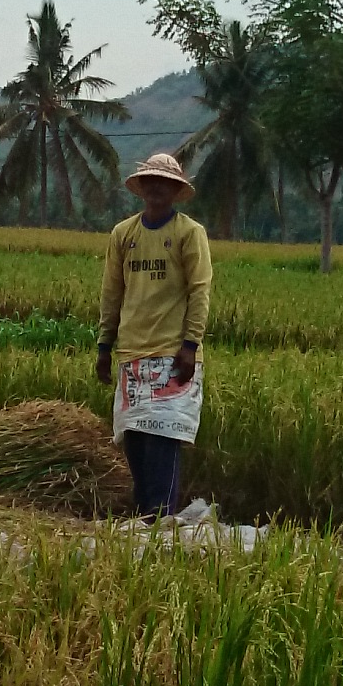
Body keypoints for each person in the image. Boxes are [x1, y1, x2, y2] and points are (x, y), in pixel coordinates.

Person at [95, 150, 213, 518]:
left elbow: (200, 290)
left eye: (166, 183)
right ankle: (145, 520)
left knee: (163, 439)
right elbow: (112, 290)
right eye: (152, 181)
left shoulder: (189, 234)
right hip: (131, 356)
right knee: (135, 441)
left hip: (171, 354)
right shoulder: (123, 234)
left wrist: (190, 345)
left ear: (176, 190)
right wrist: (104, 344)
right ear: (142, 186)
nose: (158, 188)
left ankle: (161, 521)